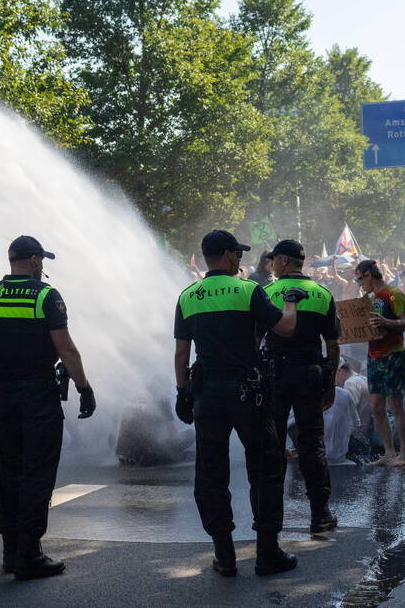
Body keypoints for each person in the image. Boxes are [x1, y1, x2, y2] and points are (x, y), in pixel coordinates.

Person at [173, 229, 303, 578]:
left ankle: (224, 556)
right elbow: (285, 329)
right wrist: (290, 302)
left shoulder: (189, 295)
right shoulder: (249, 291)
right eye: (239, 254)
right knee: (266, 468)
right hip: (249, 392)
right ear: (228, 256)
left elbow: (182, 353)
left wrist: (181, 392)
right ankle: (266, 553)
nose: (242, 260)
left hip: (207, 395)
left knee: (211, 473)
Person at [0, 235, 96, 580]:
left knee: (8, 473)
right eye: (42, 261)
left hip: (2, 396)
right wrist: (84, 388)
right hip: (38, 395)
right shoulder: (45, 295)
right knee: (36, 474)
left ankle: (11, 552)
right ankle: (29, 554)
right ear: (36, 260)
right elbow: (66, 350)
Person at [261, 239, 340, 533]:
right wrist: (329, 384)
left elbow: (255, 339)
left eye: (273, 260)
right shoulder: (322, 293)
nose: (270, 264)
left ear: (283, 261)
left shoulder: (266, 293)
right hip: (309, 374)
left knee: (273, 445)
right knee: (311, 446)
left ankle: (273, 518)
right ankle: (320, 515)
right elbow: (332, 345)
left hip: (274, 376)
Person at [354, 259, 405, 467]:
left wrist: (387, 323)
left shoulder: (393, 294)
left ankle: (404, 454)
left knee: (396, 406)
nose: (359, 283)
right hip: (373, 356)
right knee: (376, 406)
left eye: (359, 278)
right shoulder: (367, 298)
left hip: (394, 355)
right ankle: (389, 452)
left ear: (369, 275)